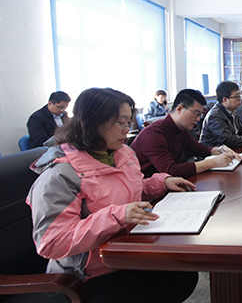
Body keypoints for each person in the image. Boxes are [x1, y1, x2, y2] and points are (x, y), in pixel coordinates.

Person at [27, 88, 198, 303]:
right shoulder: (60, 175)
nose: (128, 130)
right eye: (121, 123)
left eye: (129, 123)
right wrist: (116, 216)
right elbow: (52, 241)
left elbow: (126, 189)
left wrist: (160, 183)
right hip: (87, 273)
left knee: (183, 277)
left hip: (127, 251)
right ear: (93, 122)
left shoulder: (122, 153)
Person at [131, 89, 239, 178]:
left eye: (200, 115)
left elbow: (202, 150)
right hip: (145, 191)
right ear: (179, 109)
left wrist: (220, 150)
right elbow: (170, 170)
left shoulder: (181, 130)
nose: (198, 119)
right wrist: (213, 162)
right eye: (196, 113)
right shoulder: (154, 134)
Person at [201, 81, 242, 147]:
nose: (240, 99)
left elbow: (239, 129)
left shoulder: (232, 112)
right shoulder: (215, 116)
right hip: (216, 152)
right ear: (225, 100)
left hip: (229, 150)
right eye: (237, 96)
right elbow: (228, 140)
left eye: (239, 96)